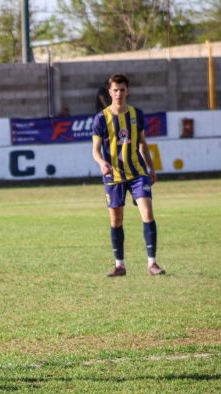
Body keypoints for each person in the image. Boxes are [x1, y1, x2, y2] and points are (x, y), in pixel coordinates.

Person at [91, 74, 165, 277]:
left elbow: (142, 143)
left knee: (147, 214)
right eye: (115, 90)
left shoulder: (136, 114)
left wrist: (151, 168)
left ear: (127, 91)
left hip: (137, 173)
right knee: (116, 221)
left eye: (122, 90)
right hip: (113, 175)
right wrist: (101, 163)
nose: (119, 94)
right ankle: (120, 265)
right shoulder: (101, 118)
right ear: (110, 92)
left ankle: (152, 263)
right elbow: (95, 150)